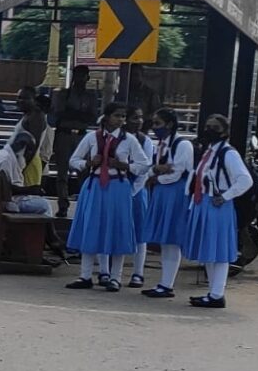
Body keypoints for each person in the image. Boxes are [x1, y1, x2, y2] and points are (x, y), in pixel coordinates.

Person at [65, 101, 150, 292]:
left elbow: (144, 164)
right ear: (107, 117)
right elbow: (73, 161)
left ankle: (115, 277)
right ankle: (85, 275)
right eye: (117, 115)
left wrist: (126, 166)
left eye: (123, 116)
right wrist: (87, 163)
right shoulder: (92, 137)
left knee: (117, 228)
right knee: (91, 227)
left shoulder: (129, 140)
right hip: (95, 184)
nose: (121, 119)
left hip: (118, 186)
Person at [181, 114, 252, 309]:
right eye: (207, 126)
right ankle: (213, 292)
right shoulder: (210, 151)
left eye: (214, 127)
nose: (209, 130)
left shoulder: (228, 153)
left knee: (218, 251)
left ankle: (217, 294)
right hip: (203, 202)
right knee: (209, 250)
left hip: (216, 204)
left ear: (225, 132)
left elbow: (245, 179)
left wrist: (226, 196)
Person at [0, 131, 68, 258]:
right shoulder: (5, 159)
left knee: (40, 202)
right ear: (22, 147)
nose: (28, 155)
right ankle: (48, 242)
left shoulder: (4, 155)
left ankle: (49, 240)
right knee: (44, 205)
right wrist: (31, 189)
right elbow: (10, 189)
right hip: (9, 202)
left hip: (5, 198)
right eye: (28, 151)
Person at [141, 107, 194, 299]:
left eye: (158, 123)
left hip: (175, 192)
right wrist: (158, 170)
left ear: (169, 124)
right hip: (162, 192)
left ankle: (167, 284)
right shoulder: (162, 145)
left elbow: (176, 172)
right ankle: (164, 282)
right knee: (165, 241)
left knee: (171, 239)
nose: (155, 128)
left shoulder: (182, 144)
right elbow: (158, 168)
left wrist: (158, 176)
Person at [50, 65, 98, 217]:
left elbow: (92, 117)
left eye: (82, 76)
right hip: (64, 133)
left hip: (81, 135)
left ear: (87, 78)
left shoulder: (90, 96)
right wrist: (77, 114)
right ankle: (63, 204)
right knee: (62, 172)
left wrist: (73, 114)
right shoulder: (63, 94)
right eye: (77, 75)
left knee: (83, 171)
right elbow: (57, 115)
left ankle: (84, 204)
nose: (79, 79)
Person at [123, 106, 155, 288]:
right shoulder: (117, 139)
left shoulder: (145, 141)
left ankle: (138, 273)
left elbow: (145, 170)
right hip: (118, 188)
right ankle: (111, 271)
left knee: (140, 232)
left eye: (140, 117)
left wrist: (133, 190)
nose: (139, 121)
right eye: (134, 117)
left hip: (137, 189)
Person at [12, 86, 47, 187]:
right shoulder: (28, 115)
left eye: (24, 98)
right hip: (21, 161)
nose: (19, 101)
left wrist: (22, 167)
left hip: (28, 163)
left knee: (26, 198)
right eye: (18, 98)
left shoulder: (36, 116)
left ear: (34, 100)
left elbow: (33, 145)